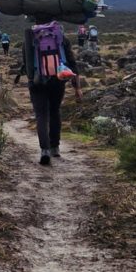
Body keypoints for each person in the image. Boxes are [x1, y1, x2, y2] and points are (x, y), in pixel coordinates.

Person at [15, 15, 79, 165]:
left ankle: (44, 150)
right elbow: (72, 63)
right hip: (58, 79)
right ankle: (55, 147)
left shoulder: (29, 39)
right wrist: (77, 87)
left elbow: (27, 63)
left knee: (41, 114)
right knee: (55, 111)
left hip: (37, 82)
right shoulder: (61, 38)